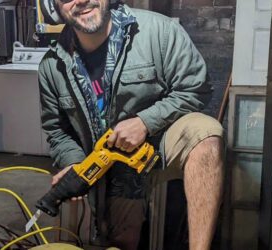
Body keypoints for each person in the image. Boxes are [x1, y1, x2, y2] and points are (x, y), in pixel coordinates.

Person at [38, 0, 224, 249]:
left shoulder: (159, 31)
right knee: (120, 242)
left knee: (206, 135)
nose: (81, 0)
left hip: (162, 141)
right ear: (54, 8)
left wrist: (145, 122)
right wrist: (74, 163)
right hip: (113, 168)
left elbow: (196, 88)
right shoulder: (52, 66)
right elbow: (57, 129)